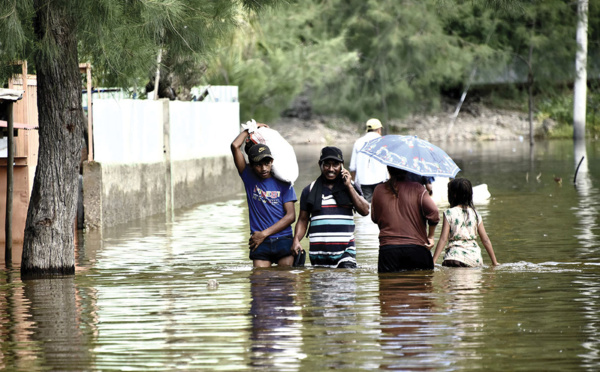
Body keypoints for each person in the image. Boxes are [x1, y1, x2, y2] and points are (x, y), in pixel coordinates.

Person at [292, 146, 370, 268]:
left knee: (345, 275)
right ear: (320, 165)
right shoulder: (309, 190)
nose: (331, 169)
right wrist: (296, 240)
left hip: (345, 253)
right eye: (327, 164)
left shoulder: (351, 187)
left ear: (342, 165)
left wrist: (349, 186)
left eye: (335, 165)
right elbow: (302, 220)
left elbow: (365, 210)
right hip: (318, 255)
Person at [231, 125, 297, 268]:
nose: (264, 168)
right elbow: (235, 146)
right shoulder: (248, 177)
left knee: (285, 283)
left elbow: (291, 216)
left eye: (267, 163)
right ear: (251, 165)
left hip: (282, 239)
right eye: (259, 165)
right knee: (259, 284)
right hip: (259, 242)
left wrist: (264, 234)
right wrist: (251, 128)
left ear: (272, 161)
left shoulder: (283, 180)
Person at [370, 167, 440, 272]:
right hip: (417, 249)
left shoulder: (378, 190)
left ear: (388, 169)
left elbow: (375, 218)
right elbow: (434, 213)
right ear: (407, 169)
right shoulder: (418, 189)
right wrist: (431, 236)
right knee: (420, 286)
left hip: (388, 251)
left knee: (388, 287)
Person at [432, 178, 499, 267]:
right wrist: (494, 262)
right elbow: (485, 240)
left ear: (453, 195)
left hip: (454, 257)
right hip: (473, 258)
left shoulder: (449, 213)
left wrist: (433, 261)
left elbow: (443, 239)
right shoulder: (476, 214)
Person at [349, 118, 389, 203]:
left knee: (367, 207)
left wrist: (353, 184)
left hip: (363, 181)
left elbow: (353, 167)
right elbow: (388, 164)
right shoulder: (384, 142)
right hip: (381, 180)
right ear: (379, 129)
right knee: (380, 205)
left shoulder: (358, 142)